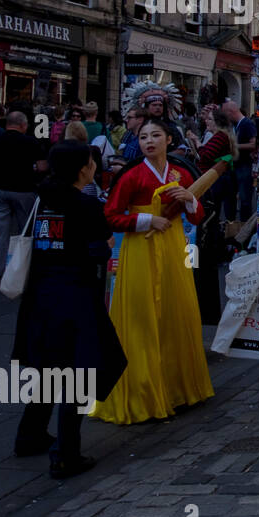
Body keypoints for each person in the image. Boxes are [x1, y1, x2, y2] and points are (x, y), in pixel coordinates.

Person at [11, 141, 126, 477]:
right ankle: (66, 453)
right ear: (82, 169)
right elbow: (98, 251)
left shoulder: (40, 200)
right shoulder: (86, 204)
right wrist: (104, 248)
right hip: (76, 296)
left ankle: (29, 435)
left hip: (40, 297)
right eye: (91, 162)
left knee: (49, 367)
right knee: (82, 370)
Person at [93, 118, 214, 424]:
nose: (149, 141)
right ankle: (143, 392)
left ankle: (177, 389)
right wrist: (146, 221)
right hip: (140, 250)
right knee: (141, 317)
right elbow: (110, 216)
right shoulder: (131, 176)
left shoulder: (183, 173)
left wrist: (189, 200)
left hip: (175, 249)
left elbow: (198, 216)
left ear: (168, 141)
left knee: (177, 312)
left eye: (155, 135)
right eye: (143, 136)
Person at [0, 111, 47, 277]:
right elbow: (43, 167)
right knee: (26, 232)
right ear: (23, 125)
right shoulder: (31, 142)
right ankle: (25, 267)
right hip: (24, 190)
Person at [222, 100, 256, 221]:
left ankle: (244, 228)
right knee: (230, 197)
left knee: (245, 199)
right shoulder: (235, 125)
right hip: (235, 166)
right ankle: (231, 225)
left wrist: (235, 146)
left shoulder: (247, 124)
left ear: (231, 113)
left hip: (244, 166)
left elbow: (254, 144)